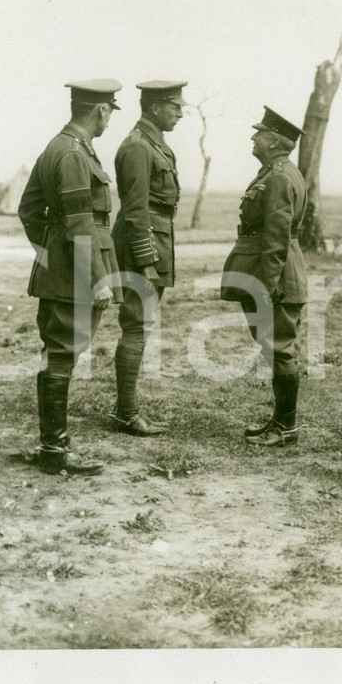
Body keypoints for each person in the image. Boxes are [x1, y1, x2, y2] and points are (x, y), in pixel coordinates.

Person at [16, 80, 124, 475]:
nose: (109, 120)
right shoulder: (74, 154)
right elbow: (80, 225)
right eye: (109, 112)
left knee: (57, 354)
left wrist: (51, 256)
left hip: (63, 273)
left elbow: (29, 212)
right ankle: (55, 450)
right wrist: (96, 279)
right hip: (77, 276)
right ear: (100, 110)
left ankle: (52, 446)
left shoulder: (57, 148)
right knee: (61, 356)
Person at [220, 107, 308, 447]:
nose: (253, 138)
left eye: (259, 133)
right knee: (274, 347)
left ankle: (286, 427)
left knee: (280, 348)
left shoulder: (280, 177)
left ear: (273, 141)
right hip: (274, 273)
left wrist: (266, 285)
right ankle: (280, 422)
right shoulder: (274, 172)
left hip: (278, 276)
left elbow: (277, 236)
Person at [110, 80, 187, 435]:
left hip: (156, 240)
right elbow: (136, 209)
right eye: (175, 107)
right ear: (155, 107)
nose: (180, 113)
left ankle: (125, 410)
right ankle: (126, 413)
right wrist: (146, 261)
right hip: (143, 246)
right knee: (136, 325)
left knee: (140, 324)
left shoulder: (154, 143)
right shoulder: (139, 147)